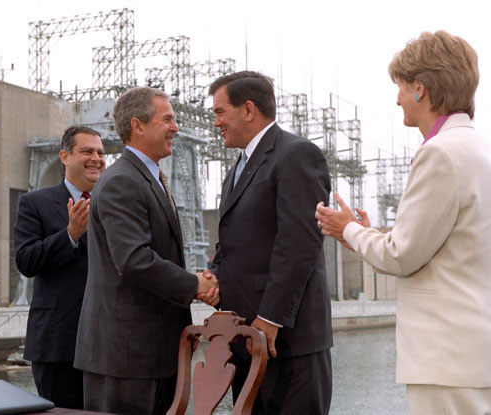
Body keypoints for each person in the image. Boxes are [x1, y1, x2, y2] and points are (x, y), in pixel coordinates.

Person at [315, 31, 491, 414]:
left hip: (442, 356)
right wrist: (365, 235)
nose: (396, 99)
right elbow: (449, 246)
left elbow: (402, 255)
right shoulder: (476, 148)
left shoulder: (439, 154)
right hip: (471, 351)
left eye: (400, 86)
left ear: (420, 88)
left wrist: (347, 228)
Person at [74, 86, 219, 415]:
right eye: (167, 119)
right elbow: (135, 260)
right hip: (126, 359)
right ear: (137, 125)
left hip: (153, 354)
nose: (175, 127)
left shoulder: (147, 178)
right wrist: (196, 285)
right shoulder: (121, 181)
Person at [208, 71, 333, 414]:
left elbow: (299, 244)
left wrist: (271, 318)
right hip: (247, 341)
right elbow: (233, 243)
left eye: (220, 112)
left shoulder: (296, 155)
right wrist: (213, 276)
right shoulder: (236, 170)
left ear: (248, 110)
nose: (216, 122)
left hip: (288, 342)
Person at [13, 126, 105, 409]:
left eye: (101, 153)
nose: (96, 158)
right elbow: (26, 261)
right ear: (65, 157)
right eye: (87, 151)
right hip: (58, 344)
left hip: (108, 343)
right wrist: (69, 235)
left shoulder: (115, 203)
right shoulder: (35, 203)